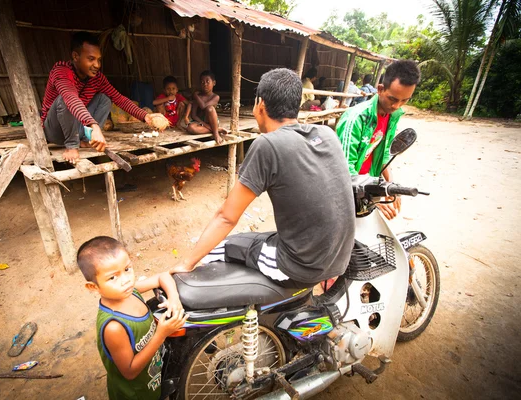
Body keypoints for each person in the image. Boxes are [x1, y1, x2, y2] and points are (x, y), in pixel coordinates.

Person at [171, 68, 355, 289]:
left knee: (219, 247)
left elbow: (226, 218)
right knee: (257, 238)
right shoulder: (327, 135)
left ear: (260, 105)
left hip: (299, 267)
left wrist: (186, 263)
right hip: (341, 258)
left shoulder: (267, 144)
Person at [77, 236, 188, 400]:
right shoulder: (114, 326)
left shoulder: (131, 293)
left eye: (127, 269)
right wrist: (161, 334)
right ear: (93, 287)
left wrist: (174, 299)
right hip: (134, 394)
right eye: (113, 277)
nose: (126, 280)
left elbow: (162, 277)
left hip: (151, 380)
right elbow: (129, 371)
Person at [41, 31, 161, 164]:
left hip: (77, 128)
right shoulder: (61, 71)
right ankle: (71, 146)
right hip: (55, 131)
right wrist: (94, 126)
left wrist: (146, 117)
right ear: (75, 56)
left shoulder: (97, 79)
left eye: (98, 60)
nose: (97, 65)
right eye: (91, 59)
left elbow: (119, 98)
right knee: (65, 99)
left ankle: (86, 140)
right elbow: (71, 99)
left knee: (104, 99)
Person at [336, 60, 421, 220]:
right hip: (349, 191)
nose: (397, 106)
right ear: (380, 89)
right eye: (393, 99)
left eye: (404, 100)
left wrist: (392, 186)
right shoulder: (356, 119)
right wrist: (374, 199)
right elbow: (345, 169)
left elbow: (383, 156)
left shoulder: (392, 116)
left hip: (368, 185)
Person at [186, 71, 226, 144]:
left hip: (212, 122)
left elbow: (204, 106)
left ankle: (216, 134)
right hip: (199, 122)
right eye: (202, 82)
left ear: (214, 83)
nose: (205, 84)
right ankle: (217, 130)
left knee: (210, 108)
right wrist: (204, 124)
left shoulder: (215, 97)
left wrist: (195, 96)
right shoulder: (198, 97)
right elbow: (193, 115)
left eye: (208, 82)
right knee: (190, 128)